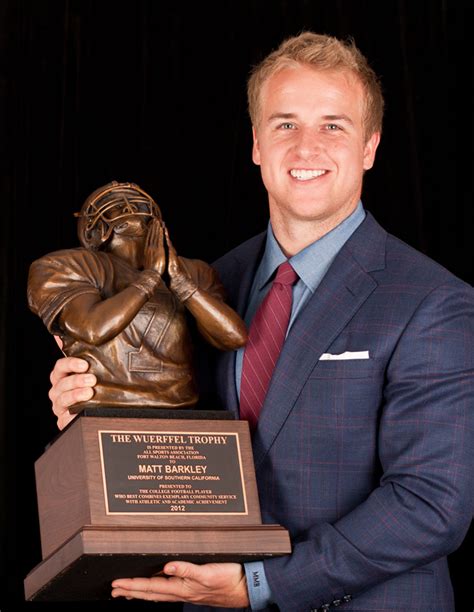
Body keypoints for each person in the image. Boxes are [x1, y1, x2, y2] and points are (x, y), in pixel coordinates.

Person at [47, 32, 474, 611]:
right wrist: (92, 406)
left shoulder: (432, 301)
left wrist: (263, 586)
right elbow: (172, 431)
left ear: (370, 146)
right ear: (255, 143)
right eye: (285, 124)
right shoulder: (209, 282)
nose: (306, 147)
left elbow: (432, 504)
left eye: (333, 125)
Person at [29, 181, 247, 416]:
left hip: (180, 411)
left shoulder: (194, 271)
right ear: (92, 228)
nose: (130, 207)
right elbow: (93, 329)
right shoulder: (67, 265)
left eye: (138, 203)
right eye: (114, 203)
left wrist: (182, 284)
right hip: (105, 406)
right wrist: (150, 277)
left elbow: (234, 337)